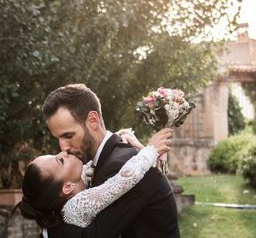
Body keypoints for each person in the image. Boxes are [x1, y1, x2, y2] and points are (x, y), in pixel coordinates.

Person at [23, 83, 180, 238]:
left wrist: (150, 151)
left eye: (68, 136)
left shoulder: (120, 165)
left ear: (92, 121)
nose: (63, 147)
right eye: (59, 138)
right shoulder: (105, 160)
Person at [18, 128, 172, 232]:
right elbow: (122, 181)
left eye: (55, 155)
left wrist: (116, 138)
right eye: (60, 161)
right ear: (67, 187)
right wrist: (151, 149)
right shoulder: (76, 206)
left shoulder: (73, 186)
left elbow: (91, 165)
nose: (63, 152)